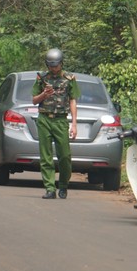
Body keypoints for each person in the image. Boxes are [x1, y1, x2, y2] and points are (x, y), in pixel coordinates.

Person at [31, 48, 80, 199]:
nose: (53, 68)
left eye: (56, 65)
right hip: (44, 118)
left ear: (61, 63)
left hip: (60, 120)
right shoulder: (41, 78)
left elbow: (72, 100)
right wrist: (43, 94)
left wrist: (74, 124)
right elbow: (34, 100)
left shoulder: (69, 78)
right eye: (50, 65)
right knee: (45, 156)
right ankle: (50, 188)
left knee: (64, 156)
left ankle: (64, 185)